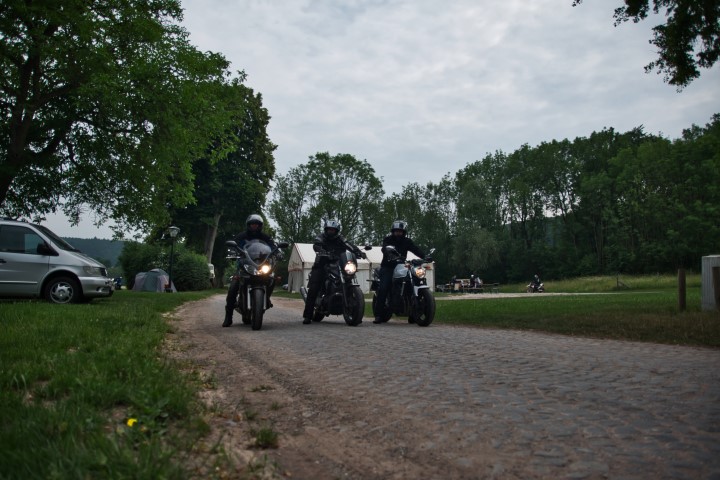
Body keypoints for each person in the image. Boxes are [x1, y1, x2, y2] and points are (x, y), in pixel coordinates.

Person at [302, 219, 365, 324]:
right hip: (322, 264)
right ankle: (307, 316)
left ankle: (355, 313)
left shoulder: (340, 239)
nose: (331, 231)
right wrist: (322, 251)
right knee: (314, 287)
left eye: (333, 230)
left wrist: (358, 252)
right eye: (329, 229)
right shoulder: (321, 237)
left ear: (337, 231)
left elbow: (349, 245)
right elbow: (317, 245)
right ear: (326, 230)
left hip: (338, 264)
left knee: (348, 276)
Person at [223, 214, 278, 327]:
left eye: (256, 224)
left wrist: (277, 252)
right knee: (233, 287)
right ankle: (228, 317)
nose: (254, 226)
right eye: (252, 224)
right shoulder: (241, 236)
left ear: (260, 226)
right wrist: (232, 251)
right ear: (248, 225)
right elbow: (234, 246)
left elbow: (272, 246)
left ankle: (266, 298)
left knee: (272, 278)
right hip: (244, 265)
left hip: (261, 265)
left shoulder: (265, 237)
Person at [373, 220, 426, 324]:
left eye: (400, 231)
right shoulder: (388, 239)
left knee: (413, 282)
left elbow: (415, 249)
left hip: (401, 266)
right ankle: (378, 315)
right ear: (393, 231)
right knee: (384, 288)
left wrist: (424, 256)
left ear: (403, 232)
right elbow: (384, 248)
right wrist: (388, 252)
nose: (398, 233)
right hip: (388, 266)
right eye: (396, 231)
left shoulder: (407, 241)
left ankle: (413, 314)